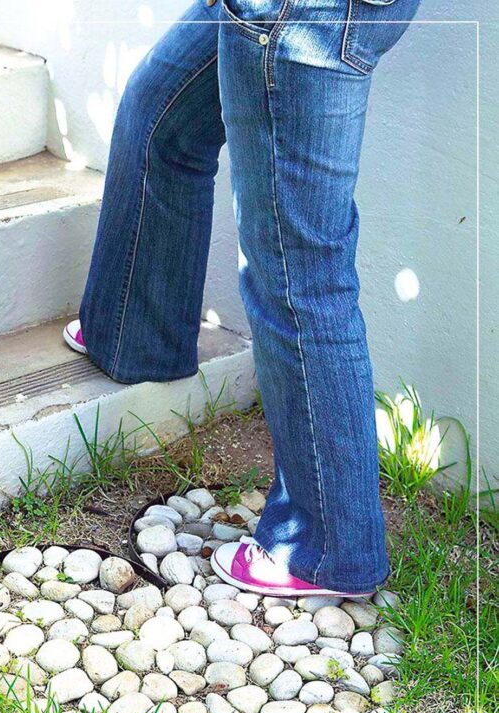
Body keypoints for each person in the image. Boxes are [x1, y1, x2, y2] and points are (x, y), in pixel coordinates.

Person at [64, 0, 422, 597]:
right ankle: (134, 331)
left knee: (298, 265)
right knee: (161, 114)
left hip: (298, 14)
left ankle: (325, 549)